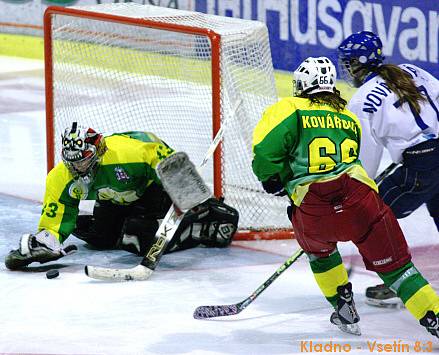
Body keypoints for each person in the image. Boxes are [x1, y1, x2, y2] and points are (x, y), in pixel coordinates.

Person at [252, 56, 439, 338]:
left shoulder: (289, 108)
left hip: (314, 208)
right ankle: (433, 315)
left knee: (320, 252)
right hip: (361, 201)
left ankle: (343, 307)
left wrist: (274, 181)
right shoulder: (347, 117)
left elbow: (265, 153)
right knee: (399, 269)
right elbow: (360, 160)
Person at [5, 123, 239, 270]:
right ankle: (131, 225)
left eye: (83, 159)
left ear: (98, 152)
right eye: (72, 161)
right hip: (115, 199)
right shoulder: (61, 177)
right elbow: (59, 211)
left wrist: (185, 190)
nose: (78, 167)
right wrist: (48, 239)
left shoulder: (130, 154)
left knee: (141, 237)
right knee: (98, 238)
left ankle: (201, 223)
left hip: (152, 191)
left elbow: (160, 153)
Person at [337, 31, 439, 308]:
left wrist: (359, 197)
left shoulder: (361, 100)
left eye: (348, 63)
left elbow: (366, 163)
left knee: (374, 220)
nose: (346, 69)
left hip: (421, 165)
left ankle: (401, 282)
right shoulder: (411, 70)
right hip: (430, 157)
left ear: (358, 64)